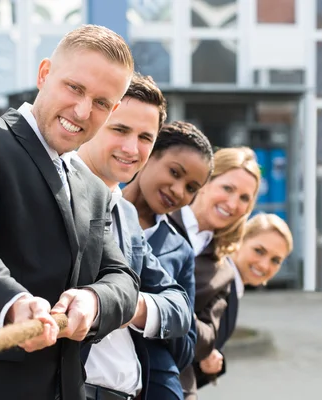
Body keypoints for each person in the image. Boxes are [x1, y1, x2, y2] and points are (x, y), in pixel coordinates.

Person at [0, 25, 141, 400]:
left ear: (113, 109)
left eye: (102, 102)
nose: (83, 111)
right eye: (75, 88)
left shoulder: (92, 189)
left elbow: (123, 279)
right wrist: (13, 304)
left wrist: (95, 300)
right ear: (44, 74)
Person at [76, 72, 192, 400]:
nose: (132, 148)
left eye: (145, 137)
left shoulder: (126, 213)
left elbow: (179, 306)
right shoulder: (55, 193)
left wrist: (131, 307)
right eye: (120, 130)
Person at [122, 121, 214, 400]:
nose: (178, 190)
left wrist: (150, 311)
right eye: (175, 173)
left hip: (151, 388)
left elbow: (186, 347)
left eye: (191, 188)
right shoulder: (95, 206)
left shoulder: (180, 251)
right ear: (149, 154)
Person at [167, 146, 261, 400]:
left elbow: (207, 340)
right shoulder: (159, 219)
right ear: (206, 180)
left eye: (244, 198)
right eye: (228, 188)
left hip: (176, 386)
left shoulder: (223, 270)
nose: (233, 204)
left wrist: (163, 307)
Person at [195, 213, 293, 378]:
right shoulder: (217, 278)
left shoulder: (231, 284)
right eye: (259, 251)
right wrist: (203, 352)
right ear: (239, 240)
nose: (264, 265)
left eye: (275, 260)